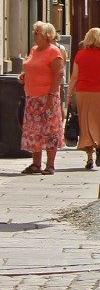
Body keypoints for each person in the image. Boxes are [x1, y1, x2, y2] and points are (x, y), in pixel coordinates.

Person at [18, 22, 64, 175]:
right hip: (32, 97)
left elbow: (58, 75)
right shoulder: (34, 50)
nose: (34, 34)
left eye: (37, 32)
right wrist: (24, 76)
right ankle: (35, 164)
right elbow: (31, 67)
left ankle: (50, 165)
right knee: (34, 131)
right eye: (34, 31)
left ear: (47, 35)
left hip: (47, 97)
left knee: (49, 130)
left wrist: (51, 96)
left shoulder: (54, 51)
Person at [68, 28, 100, 170]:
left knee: (85, 123)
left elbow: (74, 77)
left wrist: (69, 93)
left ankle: (89, 157)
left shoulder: (80, 55)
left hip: (83, 92)